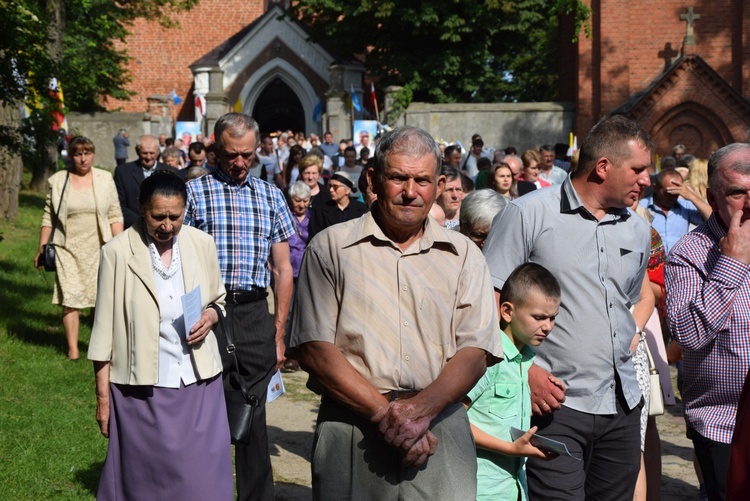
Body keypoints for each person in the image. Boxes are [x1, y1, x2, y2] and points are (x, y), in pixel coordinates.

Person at [289, 125, 503, 500]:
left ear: (438, 185)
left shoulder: (464, 254)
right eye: (398, 177)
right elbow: (314, 349)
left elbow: (476, 351)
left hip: (442, 427)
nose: (410, 192)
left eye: (422, 180)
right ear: (373, 178)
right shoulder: (330, 249)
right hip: (353, 428)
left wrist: (419, 410)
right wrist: (386, 415)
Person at [483, 114, 654, 499]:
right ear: (603, 167)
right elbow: (490, 302)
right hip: (554, 405)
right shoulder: (527, 214)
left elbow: (627, 301)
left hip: (621, 406)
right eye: (639, 169)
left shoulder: (638, 228)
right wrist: (527, 371)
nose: (647, 180)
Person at [88, 171, 232, 500]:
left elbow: (218, 300)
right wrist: (102, 398)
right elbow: (103, 333)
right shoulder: (117, 252)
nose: (166, 225)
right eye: (158, 216)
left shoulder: (201, 244)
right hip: (140, 390)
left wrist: (210, 316)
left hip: (199, 384)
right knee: (144, 481)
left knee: (203, 479)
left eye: (175, 216)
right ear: (141, 208)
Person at [184, 113, 295, 501]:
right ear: (215, 148)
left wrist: (278, 332)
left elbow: (283, 270)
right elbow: (178, 263)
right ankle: (203, 491)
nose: (240, 163)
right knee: (202, 409)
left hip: (252, 312)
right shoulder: (194, 193)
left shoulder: (270, 195)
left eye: (247, 154)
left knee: (255, 414)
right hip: (206, 310)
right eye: (232, 155)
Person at [665, 143, 750, 501]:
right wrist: (730, 263)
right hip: (723, 423)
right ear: (713, 199)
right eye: (737, 193)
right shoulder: (689, 253)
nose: (749, 202)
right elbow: (688, 334)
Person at [465, 263, 562, 501]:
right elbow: (454, 420)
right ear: (507, 311)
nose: (547, 327)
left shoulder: (524, 360)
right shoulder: (488, 357)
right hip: (481, 489)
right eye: (539, 317)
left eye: (552, 318)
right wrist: (510, 449)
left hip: (514, 488)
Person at [35, 136, 123, 360]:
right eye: (78, 154)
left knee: (99, 298)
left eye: (87, 153)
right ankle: (73, 350)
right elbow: (49, 217)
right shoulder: (58, 180)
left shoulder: (105, 178)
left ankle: (98, 346)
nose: (83, 159)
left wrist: (120, 245)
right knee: (70, 297)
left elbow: (114, 213)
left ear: (93, 155)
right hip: (67, 247)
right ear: (71, 156)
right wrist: (42, 247)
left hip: (99, 246)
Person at [114, 134, 181, 228]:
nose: (148, 157)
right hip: (133, 226)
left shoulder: (171, 172)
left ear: (158, 152)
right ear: (137, 151)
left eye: (152, 153)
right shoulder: (123, 172)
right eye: (144, 153)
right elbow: (119, 205)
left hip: (164, 228)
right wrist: (143, 223)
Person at [639, 168, 712, 253]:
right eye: (668, 193)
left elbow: (713, 218)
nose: (672, 197)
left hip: (677, 263)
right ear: (655, 188)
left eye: (676, 193)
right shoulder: (642, 207)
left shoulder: (684, 206)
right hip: (652, 263)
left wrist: (692, 196)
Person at [308, 172, 368, 241]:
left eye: (335, 187)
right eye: (330, 186)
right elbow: (316, 236)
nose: (331, 190)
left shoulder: (361, 209)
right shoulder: (321, 210)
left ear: (347, 190)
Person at [438, 165, 465, 229]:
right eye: (449, 190)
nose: (455, 196)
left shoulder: (468, 218)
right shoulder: (428, 220)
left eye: (458, 189)